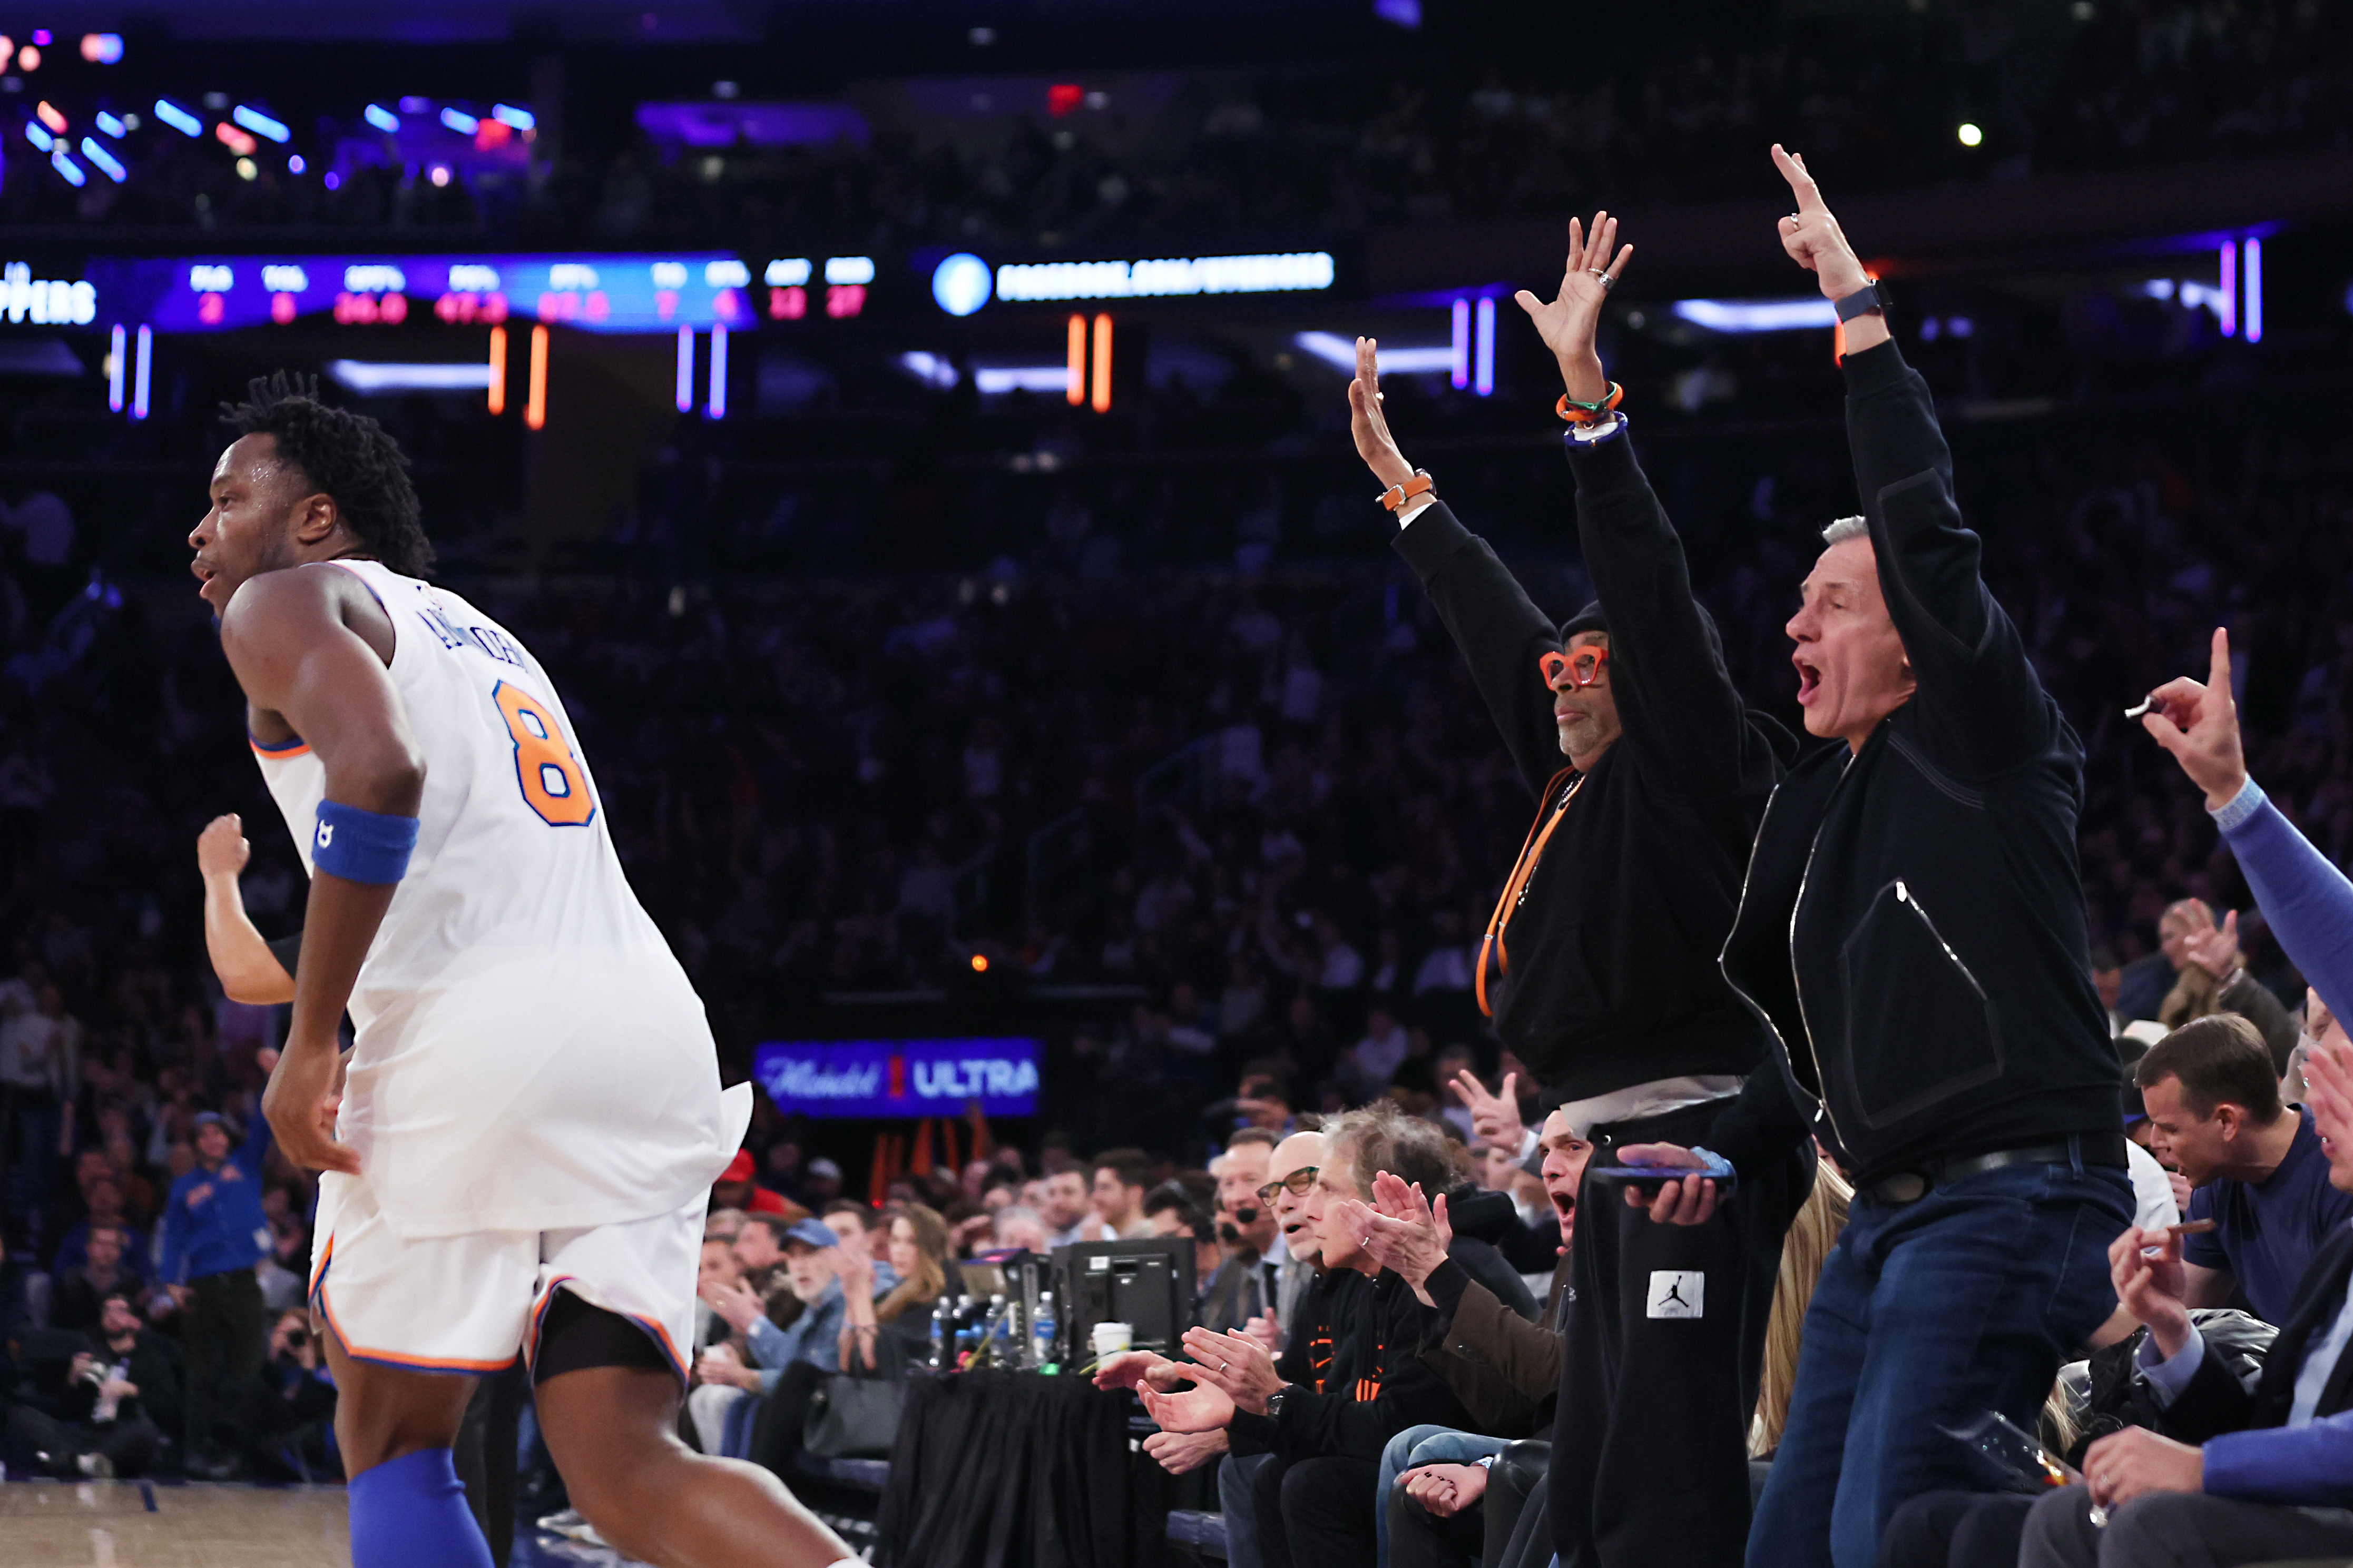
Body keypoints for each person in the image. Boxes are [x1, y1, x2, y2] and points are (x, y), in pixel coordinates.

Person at [190, 372, 854, 1568]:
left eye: (230, 497)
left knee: (391, 1430)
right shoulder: (478, 634)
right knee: (626, 1466)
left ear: (316, 521)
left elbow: (376, 772)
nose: (201, 529)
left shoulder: (279, 605)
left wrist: (312, 1044)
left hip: (477, 1035)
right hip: (647, 1030)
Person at [1626, 148, 2138, 1568]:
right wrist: (1724, 1159)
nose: (1794, 625)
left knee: (1875, 1546)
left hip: (2015, 1194)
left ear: (1913, 634)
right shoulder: (1820, 805)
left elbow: (1924, 526)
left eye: (1830, 603)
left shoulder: (1977, 738)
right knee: (1789, 1545)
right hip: (1886, 1222)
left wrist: (1857, 313)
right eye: (1794, 602)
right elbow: (1805, 1056)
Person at [1352, 207, 1812, 1568]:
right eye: (1552, 673)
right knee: (1602, 1467)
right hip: (1614, 1158)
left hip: (1697, 1147)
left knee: (1664, 1483)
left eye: (1583, 667)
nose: (1555, 679)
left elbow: (1648, 598)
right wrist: (1412, 499)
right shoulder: (1575, 784)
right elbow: (1502, 631)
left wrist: (1590, 409)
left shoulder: (1686, 762)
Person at [2014, 1026, 2353, 1568]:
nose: (2315, 1107)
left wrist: (2204, 1467)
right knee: (2059, 1517)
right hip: (2286, 1482)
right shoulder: (2299, 1222)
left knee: (2152, 1528)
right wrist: (2169, 1323)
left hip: (2328, 1503)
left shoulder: (2330, 1202)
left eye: (2340, 1090)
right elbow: (2265, 1419)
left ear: (2225, 1119)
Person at [1136, 1107, 1482, 1568]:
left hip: (1474, 1469)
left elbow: (1396, 1427)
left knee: (1313, 1484)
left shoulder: (1446, 1276)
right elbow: (1331, 1402)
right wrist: (1235, 1415)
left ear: (1384, 1199)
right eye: (1276, 1190)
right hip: (1409, 1460)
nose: (1301, 1206)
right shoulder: (1353, 1281)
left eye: (1321, 1186)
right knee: (1277, 1475)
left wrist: (1261, 1406)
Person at [2136, 1015, 2353, 1325]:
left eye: (2169, 1129)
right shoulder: (2218, 1180)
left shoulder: (2341, 1177)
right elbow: (2178, 1312)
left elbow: (2334, 1354)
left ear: (2227, 1122)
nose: (2155, 1142)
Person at [158, 1108, 273, 1478]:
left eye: (219, 1132)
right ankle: (195, 1450)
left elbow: (264, 1123)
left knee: (247, 1368)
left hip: (244, 1282)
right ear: (195, 1144)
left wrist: (275, 1076)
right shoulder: (183, 1187)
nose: (214, 1139)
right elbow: (174, 1236)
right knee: (200, 1372)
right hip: (203, 1284)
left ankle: (234, 1449)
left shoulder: (247, 1164)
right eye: (205, 1134)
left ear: (228, 1137)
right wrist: (169, 1280)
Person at [4, 1288, 180, 1478]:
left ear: (135, 1321)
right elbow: (66, 1410)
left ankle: (74, 1461)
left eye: (120, 1311)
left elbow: (169, 1408)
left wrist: (133, 1390)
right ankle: (86, 1462)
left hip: (125, 1434)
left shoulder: (152, 1358)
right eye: (107, 1311)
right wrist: (72, 1379)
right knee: (22, 1415)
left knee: (145, 1432)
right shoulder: (90, 1351)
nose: (112, 1317)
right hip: (87, 1434)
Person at [1090, 1148, 1154, 1239]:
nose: (1095, 1197)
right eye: (1095, 1189)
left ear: (1135, 1194)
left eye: (1105, 1188)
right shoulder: (1122, 1240)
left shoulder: (1152, 1240)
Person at [1040, 1166, 1105, 1249]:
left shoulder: (1102, 1237)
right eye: (1052, 1193)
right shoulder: (1051, 1240)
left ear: (1090, 1198)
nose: (1058, 1201)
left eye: (1068, 1192)